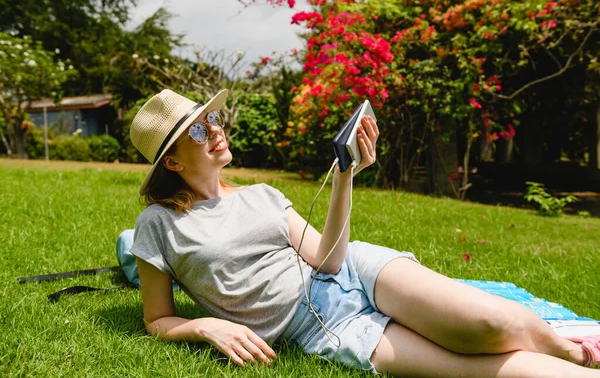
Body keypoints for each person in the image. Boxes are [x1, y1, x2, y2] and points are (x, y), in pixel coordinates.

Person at [129, 89, 600, 377]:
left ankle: (572, 350)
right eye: (196, 132)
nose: (214, 130)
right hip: (320, 325)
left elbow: (329, 259)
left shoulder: (263, 194)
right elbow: (157, 320)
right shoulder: (159, 225)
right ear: (172, 162)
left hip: (361, 269)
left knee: (492, 324)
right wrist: (206, 325)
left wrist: (345, 175)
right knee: (476, 367)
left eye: (211, 120)